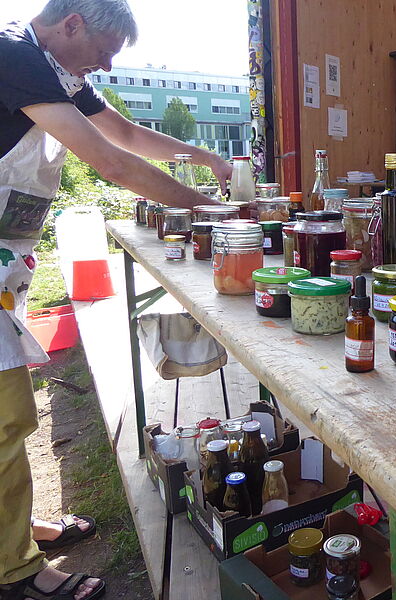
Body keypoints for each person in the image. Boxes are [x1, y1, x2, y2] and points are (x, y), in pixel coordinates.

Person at [0, 1, 233, 598]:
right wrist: (211, 208)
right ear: (72, 23)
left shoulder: (55, 72)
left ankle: (16, 530)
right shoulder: (15, 56)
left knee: (7, 415)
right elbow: (110, 161)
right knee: (5, 418)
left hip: (5, 261)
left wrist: (205, 157)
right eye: (104, 53)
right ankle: (15, 572)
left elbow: (125, 133)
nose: (105, 66)